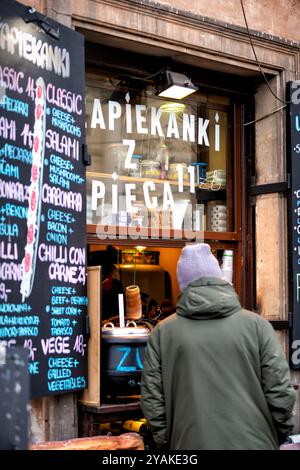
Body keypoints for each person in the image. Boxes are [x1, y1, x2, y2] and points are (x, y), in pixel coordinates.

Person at [140, 243, 296, 450]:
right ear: (219, 278)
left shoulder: (162, 332)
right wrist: (274, 435)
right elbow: (281, 393)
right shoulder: (258, 326)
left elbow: (152, 401)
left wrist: (168, 442)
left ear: (182, 285)